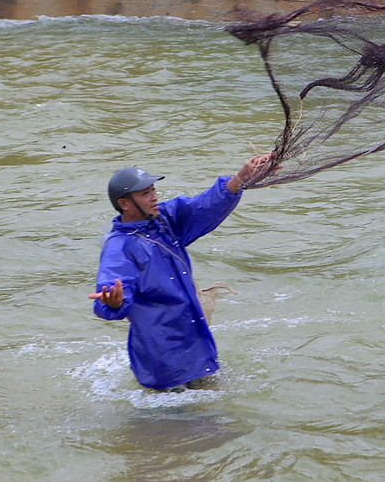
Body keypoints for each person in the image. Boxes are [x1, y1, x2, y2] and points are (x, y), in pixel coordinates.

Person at [89, 154, 274, 391]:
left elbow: (203, 206)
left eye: (153, 190)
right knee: (184, 424)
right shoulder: (119, 247)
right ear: (124, 204)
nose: (154, 197)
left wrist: (241, 178)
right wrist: (113, 304)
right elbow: (108, 298)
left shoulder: (164, 220)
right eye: (145, 194)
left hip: (195, 344)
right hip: (163, 358)